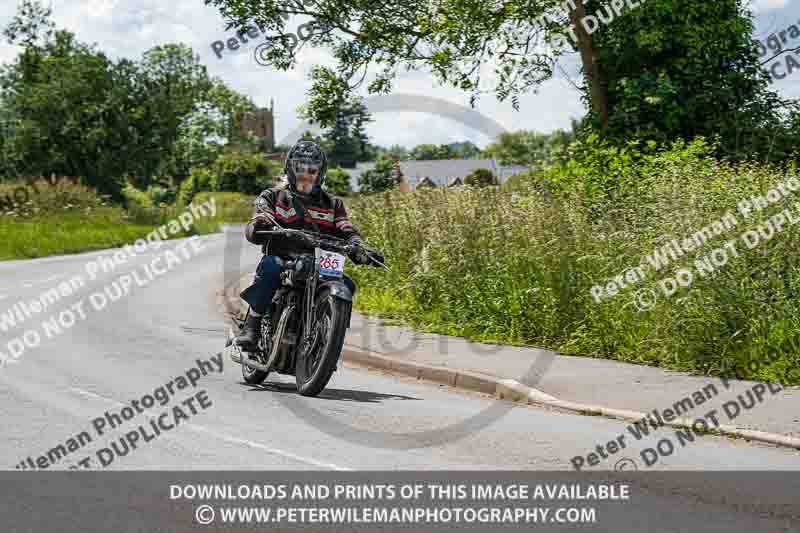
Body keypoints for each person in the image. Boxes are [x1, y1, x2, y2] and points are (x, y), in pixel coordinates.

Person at [235, 140, 381, 350]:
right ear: (290, 170)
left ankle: (327, 336)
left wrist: (358, 246)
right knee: (271, 266)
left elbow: (345, 228)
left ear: (320, 173)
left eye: (312, 170)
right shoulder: (274, 196)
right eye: (300, 169)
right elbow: (261, 213)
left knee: (347, 284)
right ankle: (252, 326)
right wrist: (260, 222)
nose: (306, 175)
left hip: (321, 264)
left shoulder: (333, 204)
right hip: (284, 258)